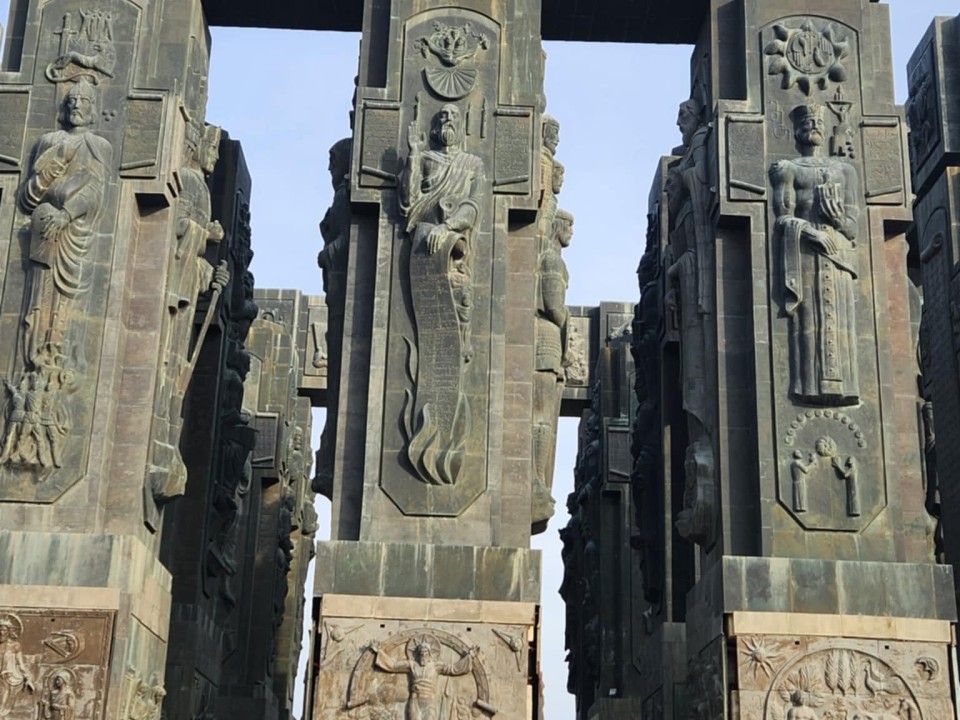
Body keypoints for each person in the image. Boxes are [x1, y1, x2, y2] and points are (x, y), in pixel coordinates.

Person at [771, 103, 860, 405]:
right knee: (809, 321)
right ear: (797, 131)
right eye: (806, 123)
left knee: (840, 321)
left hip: (837, 257)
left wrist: (836, 219)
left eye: (817, 122)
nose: (812, 126)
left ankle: (844, 386)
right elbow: (783, 217)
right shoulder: (788, 169)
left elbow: (853, 228)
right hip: (807, 254)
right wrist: (811, 232)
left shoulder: (845, 171)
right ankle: (808, 386)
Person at [18, 79, 112, 365]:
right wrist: (51, 170)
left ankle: (60, 351)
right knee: (39, 294)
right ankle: (35, 353)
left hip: (76, 232)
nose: (77, 105)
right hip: (46, 229)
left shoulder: (98, 146)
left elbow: (96, 191)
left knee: (71, 303)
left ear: (93, 109)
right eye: (72, 100)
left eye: (84, 101)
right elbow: (27, 197)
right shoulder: (49, 141)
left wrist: (67, 214)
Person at [369, 636, 478, 720]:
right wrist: (379, 652)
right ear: (418, 654)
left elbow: (453, 668)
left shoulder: (436, 666)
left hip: (429, 701)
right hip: (414, 700)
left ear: (430, 654)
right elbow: (394, 666)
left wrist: (470, 656)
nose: (423, 654)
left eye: (426, 652)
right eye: (421, 652)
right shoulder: (412, 665)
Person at [0, 615, 34, 717]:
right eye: (0, 629)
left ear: (9, 632)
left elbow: (20, 663)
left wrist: (28, 678)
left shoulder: (15, 646)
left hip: (7, 678)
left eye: (4, 630)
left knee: (3, 700)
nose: (1, 632)